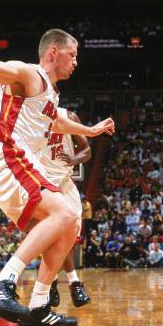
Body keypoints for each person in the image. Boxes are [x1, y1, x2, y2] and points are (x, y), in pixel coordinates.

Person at [0, 17, 113, 326]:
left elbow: (57, 122)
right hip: (5, 154)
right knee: (64, 212)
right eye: (73, 55)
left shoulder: (49, 94)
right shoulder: (31, 74)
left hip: (16, 162)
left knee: (69, 224)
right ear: (54, 52)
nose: (76, 62)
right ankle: (2, 283)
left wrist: (91, 130)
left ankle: (40, 304)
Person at [37, 106, 99, 308]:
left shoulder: (69, 117)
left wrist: (74, 159)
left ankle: (53, 284)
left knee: (68, 239)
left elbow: (87, 150)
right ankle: (73, 284)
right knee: (51, 239)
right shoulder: (30, 119)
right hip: (43, 186)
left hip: (64, 183)